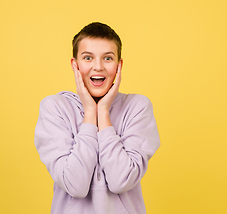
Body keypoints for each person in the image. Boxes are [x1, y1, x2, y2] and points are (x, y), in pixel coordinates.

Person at [34, 22, 160, 214]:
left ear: (119, 65)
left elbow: (120, 181)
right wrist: (89, 112)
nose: (98, 67)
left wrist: (103, 112)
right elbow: (75, 185)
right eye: (88, 58)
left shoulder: (138, 107)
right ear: (75, 65)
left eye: (108, 58)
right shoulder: (54, 108)